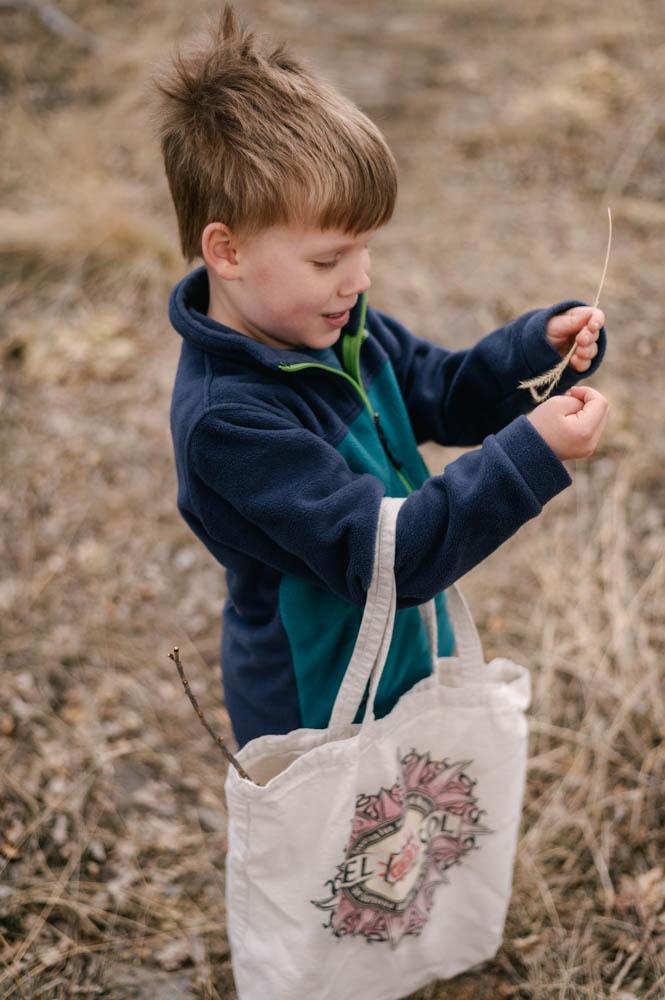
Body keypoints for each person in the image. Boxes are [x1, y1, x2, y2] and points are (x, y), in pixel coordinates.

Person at [155, 6, 609, 749]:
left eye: (365, 249)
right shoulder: (228, 422)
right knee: (337, 862)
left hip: (396, 664)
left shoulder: (335, 327)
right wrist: (532, 454)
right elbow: (386, 559)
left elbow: (443, 391)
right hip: (317, 709)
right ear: (226, 251)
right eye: (329, 259)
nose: (358, 279)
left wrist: (535, 357)